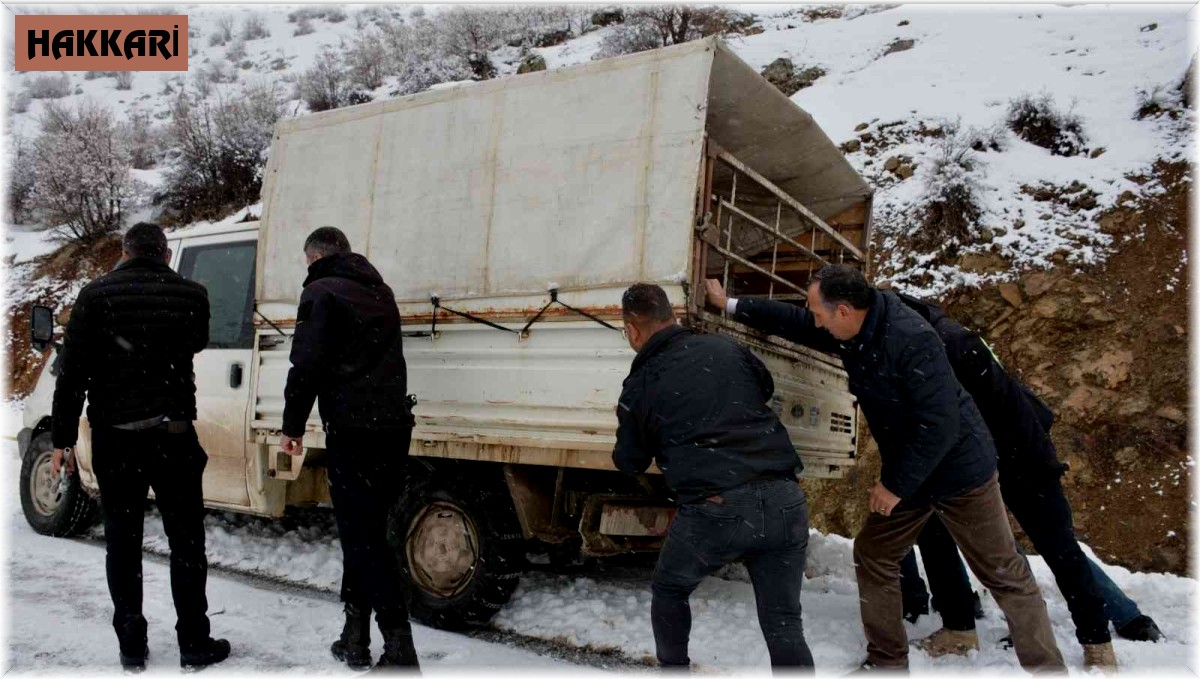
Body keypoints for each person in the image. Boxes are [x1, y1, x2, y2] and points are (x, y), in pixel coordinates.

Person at [705, 266, 1066, 673]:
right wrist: (731, 305)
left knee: (1005, 573)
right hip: (913, 469)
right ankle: (888, 662)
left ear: (843, 311)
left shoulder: (912, 340)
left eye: (819, 311)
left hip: (961, 472)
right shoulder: (855, 326)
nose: (815, 319)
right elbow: (799, 323)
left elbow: (940, 425)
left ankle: (1047, 669)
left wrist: (894, 487)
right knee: (874, 553)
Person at [889, 291, 1155, 668]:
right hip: (998, 452)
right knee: (1031, 547)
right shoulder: (941, 337)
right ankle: (975, 623)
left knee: (1056, 547)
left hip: (1019, 456)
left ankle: (1100, 640)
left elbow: (982, 413)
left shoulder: (950, 346)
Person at [50, 222, 230, 671]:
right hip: (173, 437)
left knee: (123, 543)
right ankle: (194, 642)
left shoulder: (95, 295)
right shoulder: (193, 294)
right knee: (187, 542)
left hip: (116, 439)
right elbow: (197, 342)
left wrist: (62, 439)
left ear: (125, 253)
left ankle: (132, 645)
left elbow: (71, 373)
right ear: (166, 254)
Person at [613, 283, 815, 671]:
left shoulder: (640, 384)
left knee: (670, 589)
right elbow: (764, 386)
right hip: (784, 499)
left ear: (632, 330)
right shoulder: (724, 348)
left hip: (718, 507)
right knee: (784, 622)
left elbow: (630, 462)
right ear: (671, 316)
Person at [278, 226, 419, 670]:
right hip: (393, 426)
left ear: (316, 256)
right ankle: (354, 635)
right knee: (368, 533)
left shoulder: (321, 292)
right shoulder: (381, 292)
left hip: (353, 430)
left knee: (362, 538)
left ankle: (400, 646)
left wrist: (291, 426)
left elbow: (306, 365)